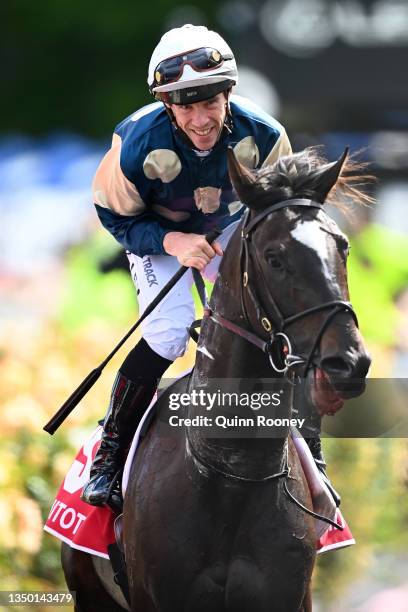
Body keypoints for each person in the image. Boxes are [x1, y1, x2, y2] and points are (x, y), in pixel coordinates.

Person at [81, 24, 302, 511]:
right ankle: (110, 454)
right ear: (166, 105)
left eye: (211, 103)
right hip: (157, 233)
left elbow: (276, 214)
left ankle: (310, 456)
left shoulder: (266, 136)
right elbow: (115, 217)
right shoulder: (136, 144)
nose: (200, 119)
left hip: (229, 227)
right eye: (186, 106)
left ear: (229, 94)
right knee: (168, 332)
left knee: (272, 318)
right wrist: (171, 240)